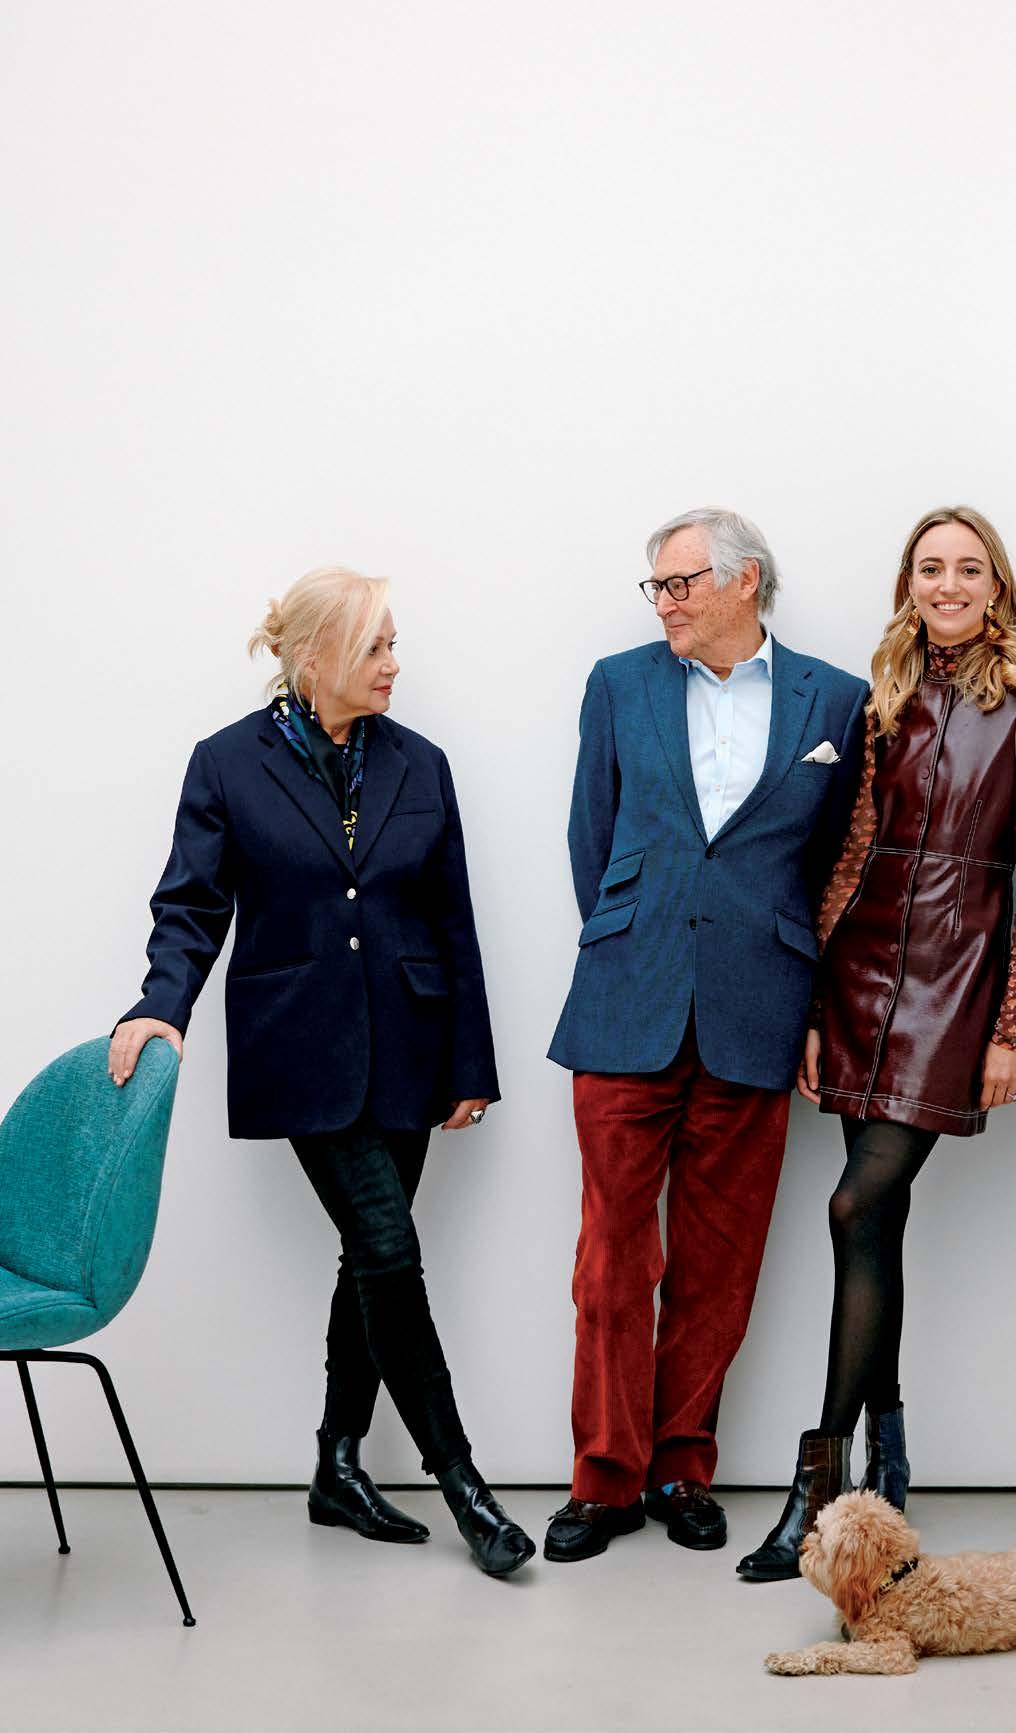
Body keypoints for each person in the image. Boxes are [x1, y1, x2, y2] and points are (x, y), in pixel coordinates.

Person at [108, 566, 534, 1577]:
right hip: (300, 1047)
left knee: (367, 1258)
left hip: (411, 1047)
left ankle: (336, 1466)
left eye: (393, 643)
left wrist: (470, 1061)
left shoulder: (421, 764)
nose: (394, 663)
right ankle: (463, 1484)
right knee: (389, 1246)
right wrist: (160, 1002)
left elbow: (453, 919)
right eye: (375, 645)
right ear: (314, 658)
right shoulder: (227, 763)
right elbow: (191, 905)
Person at [737, 505, 1016, 1581]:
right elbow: (850, 851)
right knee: (873, 1225)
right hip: (863, 966)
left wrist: (1012, 1025)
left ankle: (818, 1485)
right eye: (930, 568)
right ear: (908, 585)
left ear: (995, 585)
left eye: (968, 568)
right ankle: (886, 1464)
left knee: (852, 1204)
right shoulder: (883, 696)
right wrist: (815, 1007)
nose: (947, 585)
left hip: (956, 978)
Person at [543, 508, 869, 1562]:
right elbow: (591, 837)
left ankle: (681, 1465)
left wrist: (806, 1002)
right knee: (610, 1258)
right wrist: (638, 936)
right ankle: (603, 1478)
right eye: (656, 586)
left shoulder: (835, 700)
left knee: (720, 1263)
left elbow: (833, 864)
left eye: (680, 582)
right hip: (625, 1001)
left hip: (756, 1007)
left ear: (745, 581)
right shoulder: (618, 684)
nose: (663, 602)